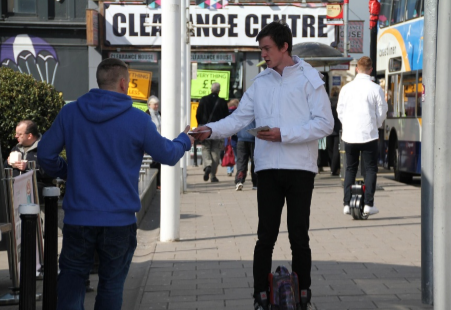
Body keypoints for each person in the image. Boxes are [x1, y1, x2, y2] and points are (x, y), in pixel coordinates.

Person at [192, 21, 334, 310]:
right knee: (265, 236)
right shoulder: (260, 83)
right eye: (261, 49)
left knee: (299, 236)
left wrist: (284, 134)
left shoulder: (310, 79)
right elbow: (238, 119)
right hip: (267, 168)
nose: (263, 55)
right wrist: (208, 129)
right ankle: (260, 296)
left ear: (284, 47)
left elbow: (325, 124)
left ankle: (303, 295)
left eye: (267, 48)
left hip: (300, 169)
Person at [37, 58, 193, 310]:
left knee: (72, 280)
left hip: (79, 218)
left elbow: (45, 154)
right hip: (119, 221)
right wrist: (185, 140)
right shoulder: (138, 120)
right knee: (111, 285)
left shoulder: (71, 112)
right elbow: (168, 155)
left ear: (99, 82)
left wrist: (68, 172)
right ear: (123, 83)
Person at [337, 56, 388, 216]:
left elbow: (340, 111)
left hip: (349, 135)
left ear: (357, 69)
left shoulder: (346, 88)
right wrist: (376, 124)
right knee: (370, 169)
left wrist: (348, 125)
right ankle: (368, 204)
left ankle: (346, 203)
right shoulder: (375, 88)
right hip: (369, 135)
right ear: (371, 70)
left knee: (350, 169)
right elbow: (382, 111)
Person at [4, 120, 53, 201]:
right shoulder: (16, 148)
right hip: (15, 185)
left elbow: (50, 171)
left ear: (30, 136)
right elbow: (5, 167)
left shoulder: (45, 149)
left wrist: (27, 167)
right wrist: (8, 163)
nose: (16, 136)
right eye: (16, 133)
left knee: (25, 191)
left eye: (19, 134)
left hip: (36, 186)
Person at [196, 82, 229, 182]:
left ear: (211, 90)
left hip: (205, 128)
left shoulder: (204, 100)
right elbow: (226, 118)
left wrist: (201, 125)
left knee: (206, 148)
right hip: (218, 130)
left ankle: (208, 165)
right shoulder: (223, 102)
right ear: (219, 91)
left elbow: (198, 114)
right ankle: (213, 176)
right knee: (215, 151)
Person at [235, 120, 257, 191]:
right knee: (255, 161)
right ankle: (256, 183)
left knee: (241, 161)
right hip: (254, 138)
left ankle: (239, 180)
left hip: (241, 138)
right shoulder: (258, 110)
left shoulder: (241, 111)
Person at [146, 95, 162, 188]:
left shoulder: (159, 114)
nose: (156, 106)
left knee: (159, 162)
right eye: (154, 104)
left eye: (157, 104)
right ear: (149, 105)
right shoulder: (147, 115)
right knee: (154, 162)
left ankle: (158, 183)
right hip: (151, 141)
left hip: (159, 140)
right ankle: (155, 183)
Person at [326, 97, 341, 176]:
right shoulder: (338, 102)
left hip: (329, 129)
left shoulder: (328, 101)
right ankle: (334, 168)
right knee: (336, 150)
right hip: (337, 129)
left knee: (330, 150)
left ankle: (332, 166)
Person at [224, 99, 239, 176]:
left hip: (228, 136)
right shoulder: (238, 112)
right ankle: (238, 171)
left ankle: (229, 170)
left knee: (229, 152)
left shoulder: (226, 112)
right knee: (237, 155)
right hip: (236, 137)